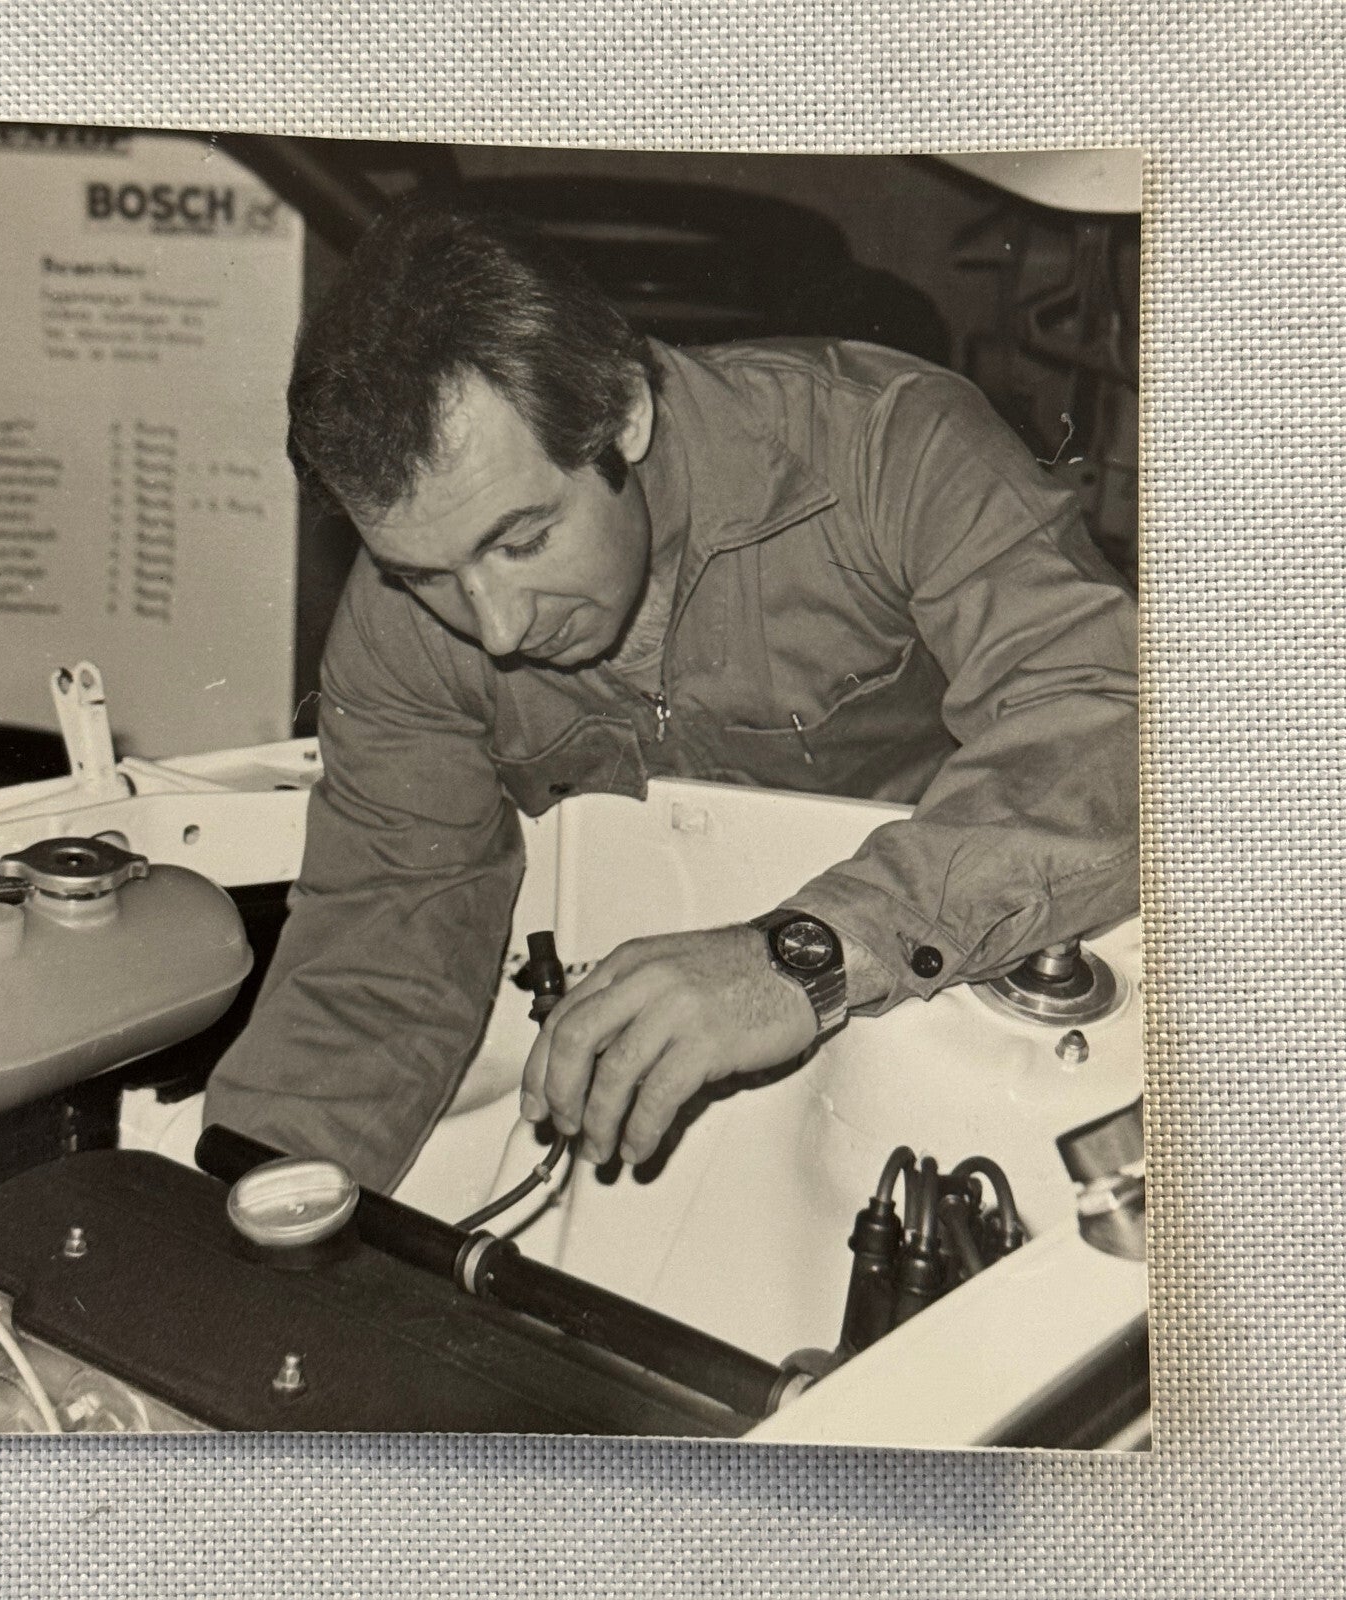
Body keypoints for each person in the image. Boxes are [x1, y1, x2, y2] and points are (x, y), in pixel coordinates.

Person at [203, 200, 1139, 1193]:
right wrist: (251, 1203)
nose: (494, 628)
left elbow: (1118, 729)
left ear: (625, 411)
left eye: (522, 542)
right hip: (673, 1041)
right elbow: (378, 950)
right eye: (423, 575)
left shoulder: (890, 444)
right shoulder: (402, 616)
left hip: (950, 995)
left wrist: (804, 952)